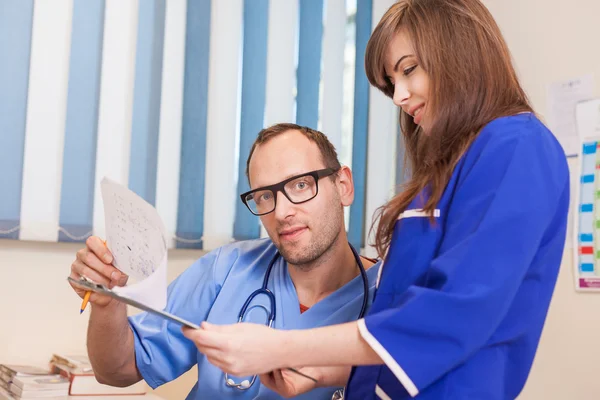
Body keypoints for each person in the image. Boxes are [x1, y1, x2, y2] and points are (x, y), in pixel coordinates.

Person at [183, 0, 570, 399]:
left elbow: (451, 316)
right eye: (391, 83)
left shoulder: (516, 146)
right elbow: (405, 341)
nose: (399, 96)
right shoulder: (450, 169)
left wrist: (282, 345)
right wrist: (325, 372)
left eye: (408, 70)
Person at [68, 123, 380, 399]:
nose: (282, 212)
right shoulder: (230, 268)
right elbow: (118, 370)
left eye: (300, 185)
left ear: (343, 186)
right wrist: (106, 305)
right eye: (264, 196)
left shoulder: (391, 294)